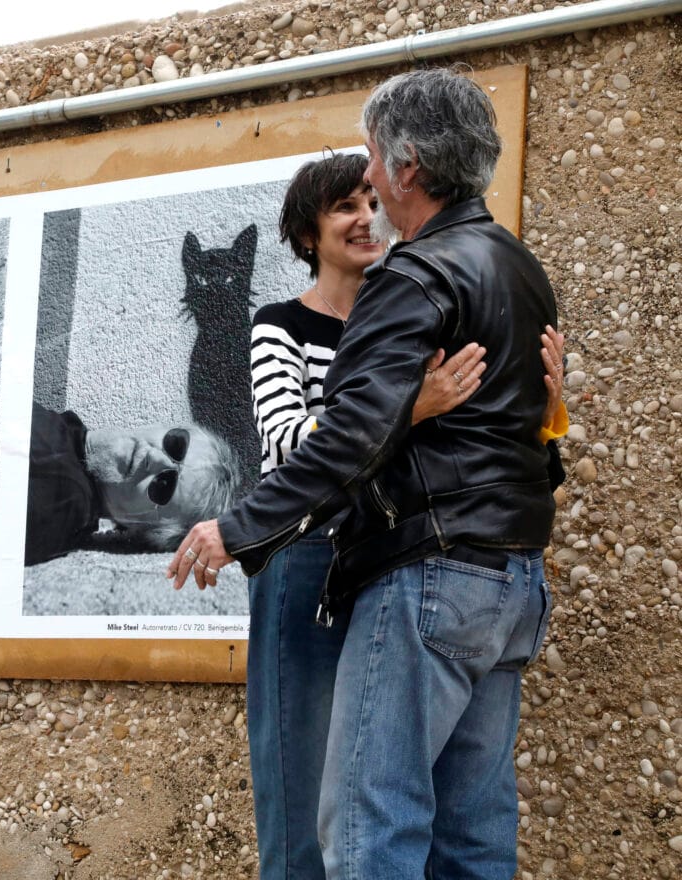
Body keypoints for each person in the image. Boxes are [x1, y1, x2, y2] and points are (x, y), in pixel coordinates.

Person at [168, 68, 560, 878]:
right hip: (513, 579)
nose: (372, 186)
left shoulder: (411, 277)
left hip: (428, 574)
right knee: (474, 837)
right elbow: (529, 447)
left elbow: (346, 438)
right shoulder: (519, 270)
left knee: (368, 830)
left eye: (375, 165)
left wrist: (235, 525)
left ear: (408, 164)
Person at [25, 401, 239, 564]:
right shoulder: (66, 441)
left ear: (143, 529)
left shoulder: (61, 498)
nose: (155, 458)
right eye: (175, 444)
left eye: (164, 485)